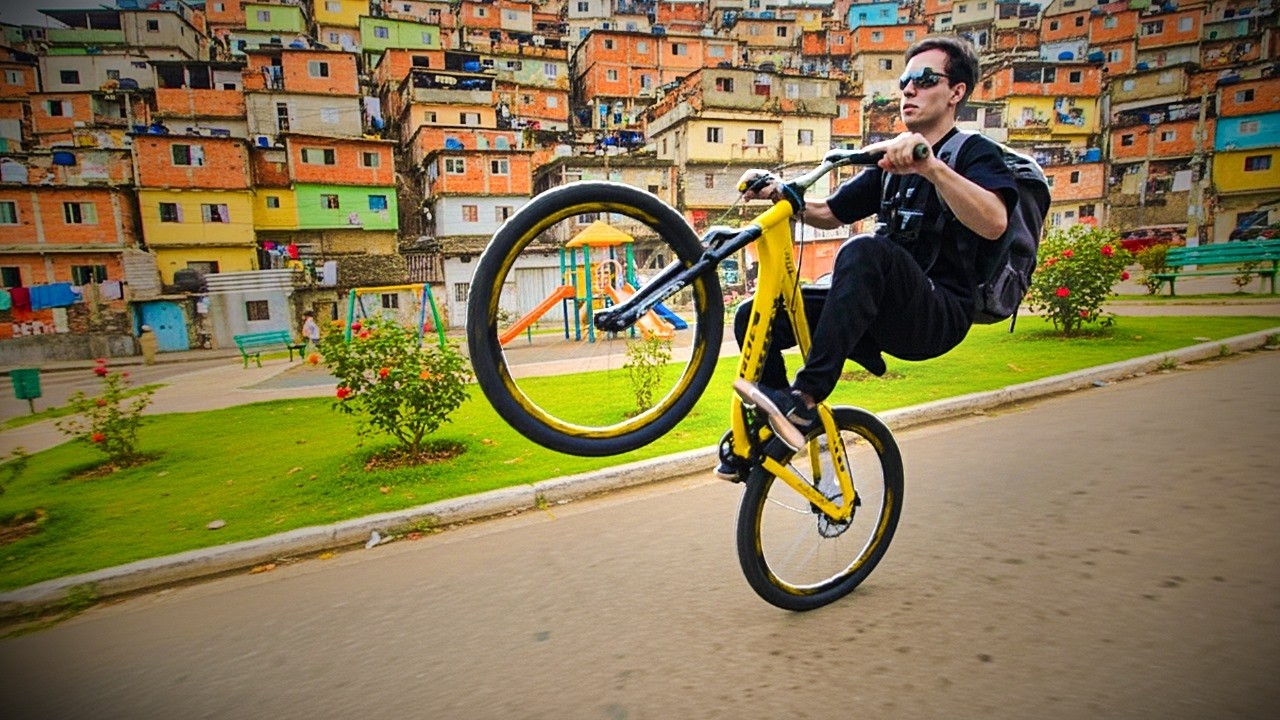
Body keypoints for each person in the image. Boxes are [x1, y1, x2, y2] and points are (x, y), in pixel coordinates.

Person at [723, 35, 1018, 471]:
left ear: (956, 92)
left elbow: (994, 221)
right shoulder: (890, 163)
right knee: (753, 315)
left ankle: (804, 397)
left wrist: (930, 166)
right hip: (880, 307)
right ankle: (776, 431)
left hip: (938, 314)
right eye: (904, 81)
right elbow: (828, 213)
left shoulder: (972, 153)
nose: (908, 89)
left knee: (865, 249)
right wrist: (779, 194)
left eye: (924, 79)